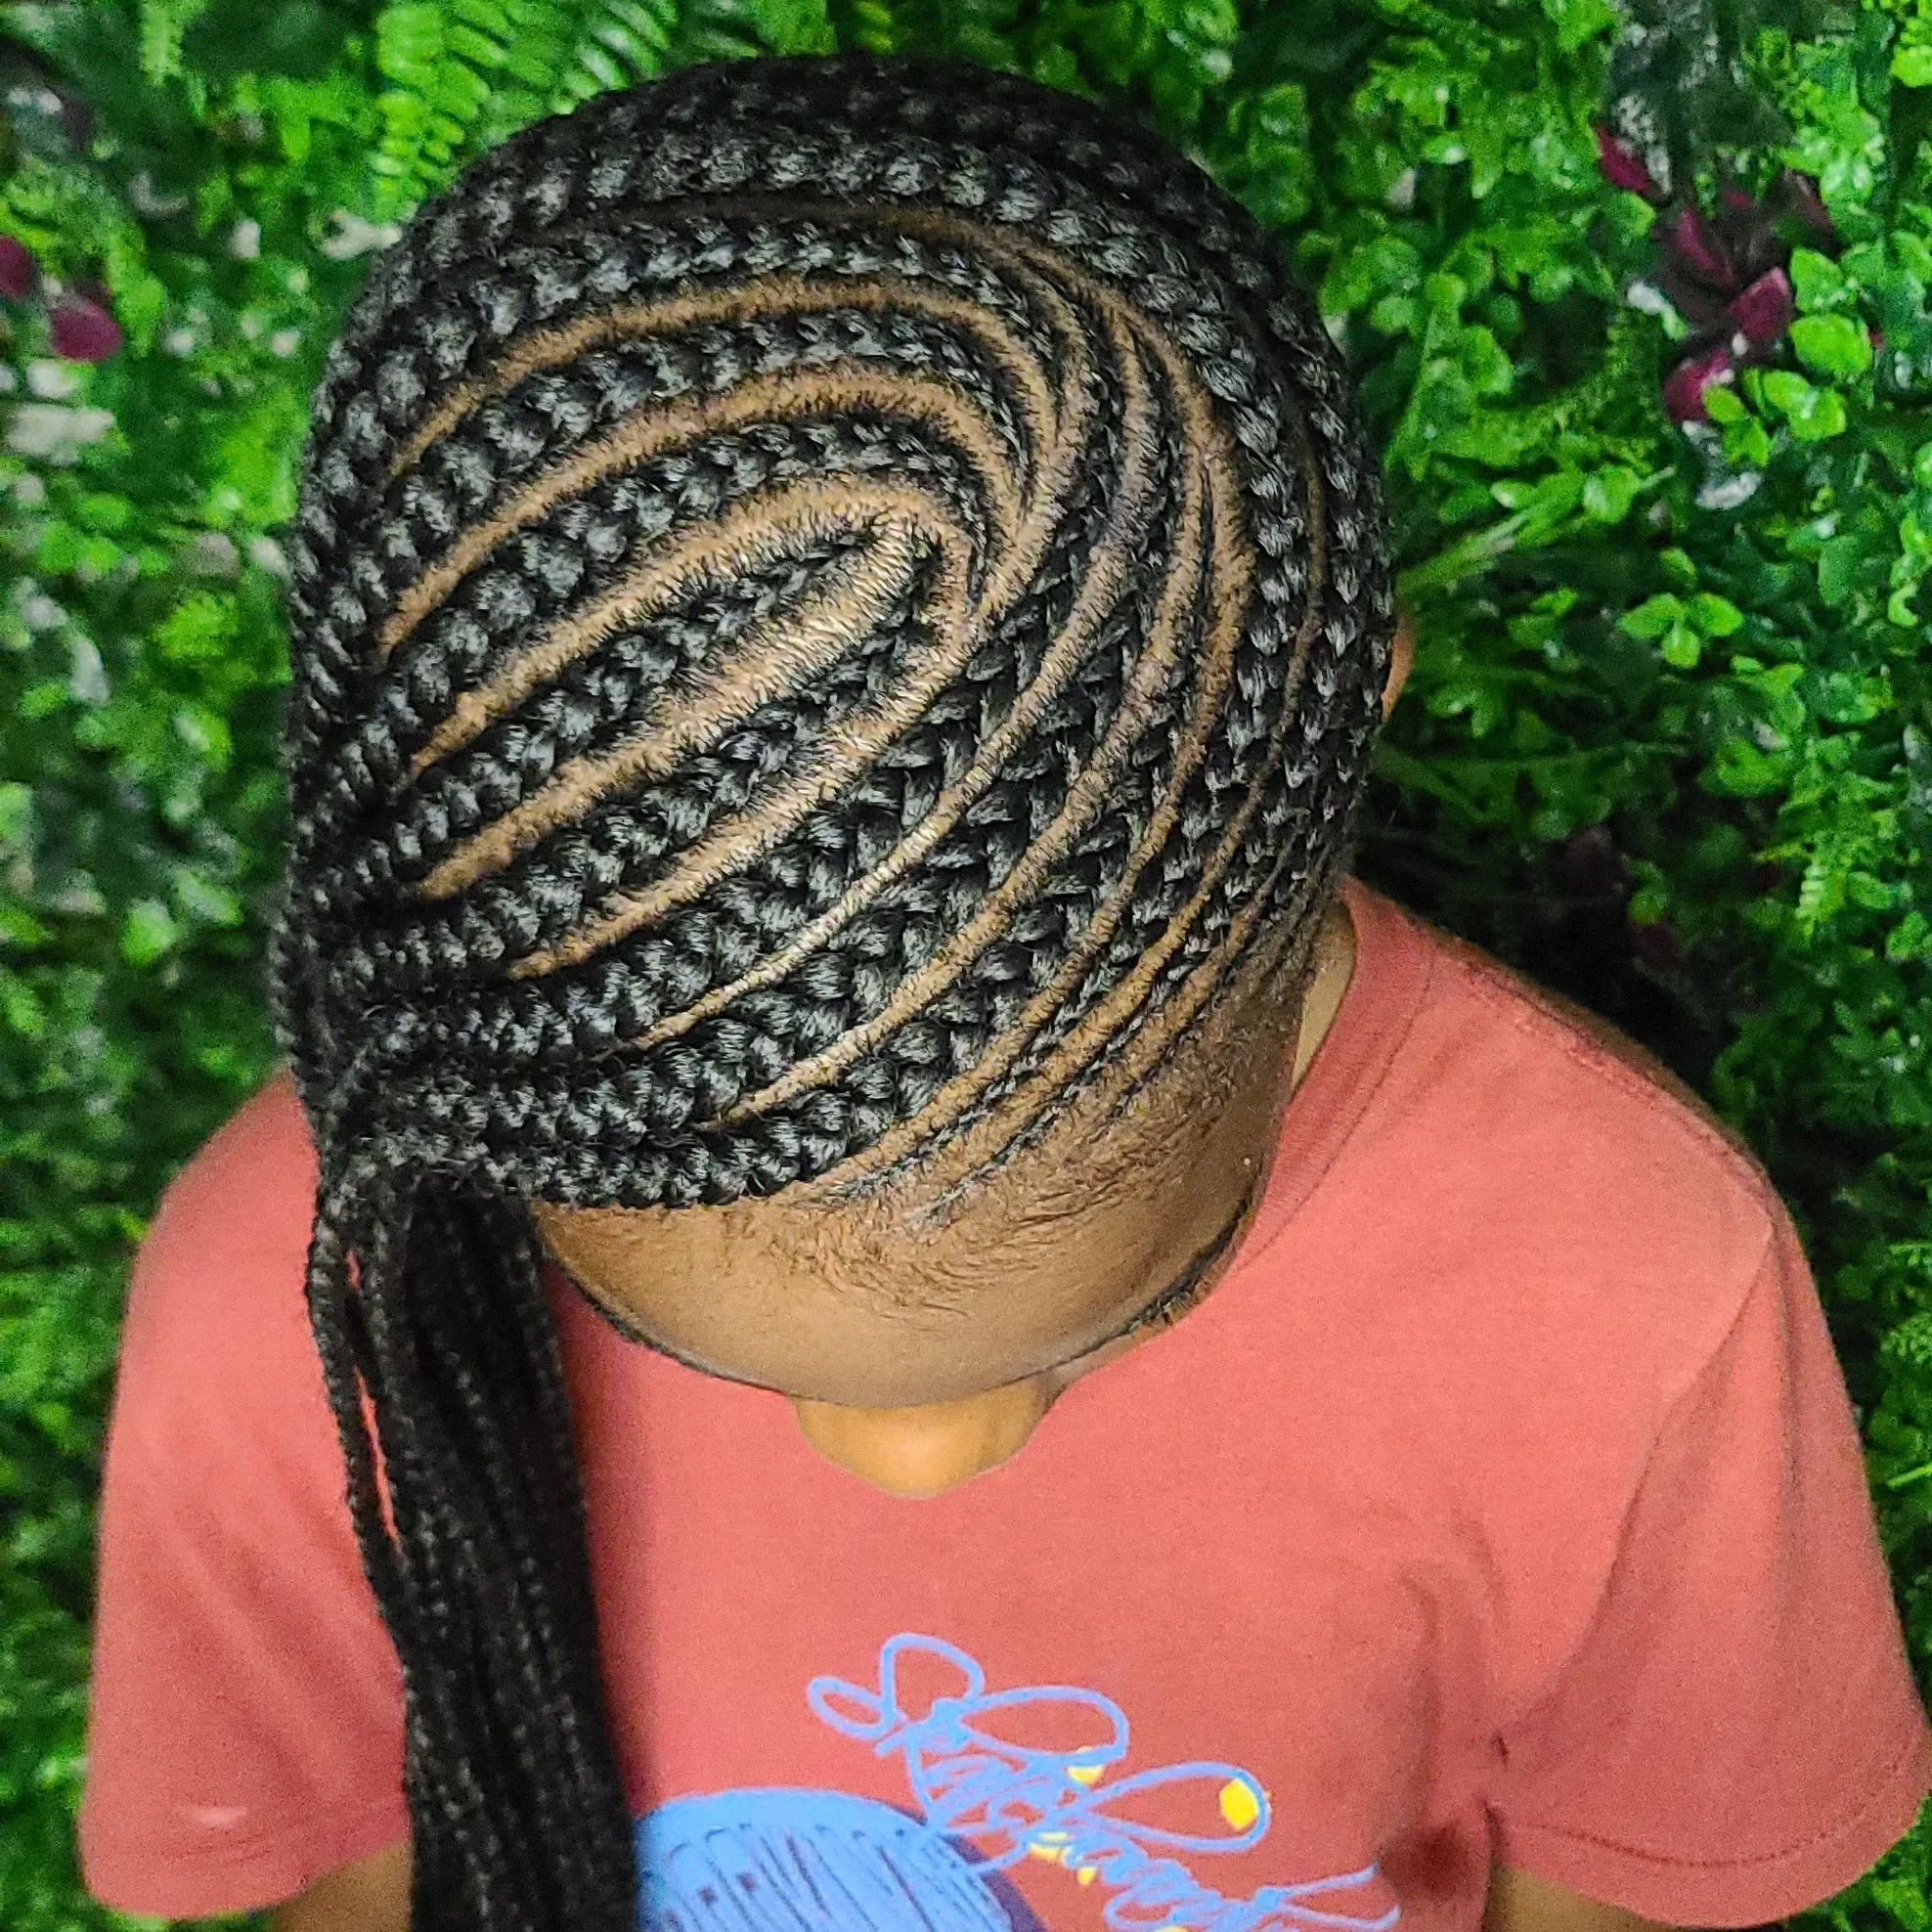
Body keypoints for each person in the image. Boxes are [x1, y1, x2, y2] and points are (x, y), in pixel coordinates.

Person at [75, 48, 1930, 1932]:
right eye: (691, 1345)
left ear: (1328, 729)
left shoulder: (1627, 1297)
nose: (918, 1463)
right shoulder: (297, 1305)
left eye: (1118, 1302)